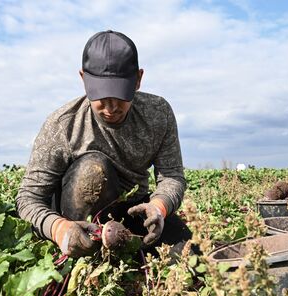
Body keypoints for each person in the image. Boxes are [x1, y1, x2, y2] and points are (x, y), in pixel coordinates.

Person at [16, 30, 191, 258]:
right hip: (78, 219)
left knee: (188, 256)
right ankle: (86, 252)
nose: (110, 107)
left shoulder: (158, 114)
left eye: (119, 95)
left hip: (131, 212)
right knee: (93, 169)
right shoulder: (63, 125)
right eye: (100, 95)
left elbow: (172, 176)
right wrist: (59, 229)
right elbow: (28, 198)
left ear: (138, 79)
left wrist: (158, 207)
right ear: (83, 79)